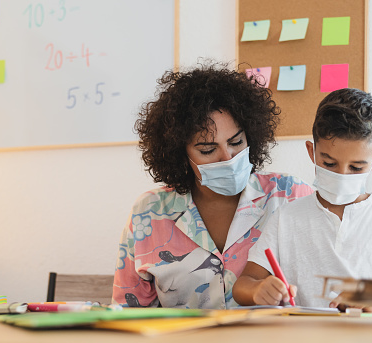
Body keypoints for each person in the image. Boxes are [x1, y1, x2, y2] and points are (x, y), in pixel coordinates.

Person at [111, 63, 313, 309]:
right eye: (207, 150)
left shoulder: (290, 196)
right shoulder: (149, 212)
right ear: (180, 154)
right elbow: (127, 313)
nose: (228, 158)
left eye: (236, 142)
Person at [233, 88, 372, 309]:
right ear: (312, 152)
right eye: (329, 164)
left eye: (356, 167)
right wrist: (258, 290)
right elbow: (242, 286)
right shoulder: (286, 218)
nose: (342, 175)